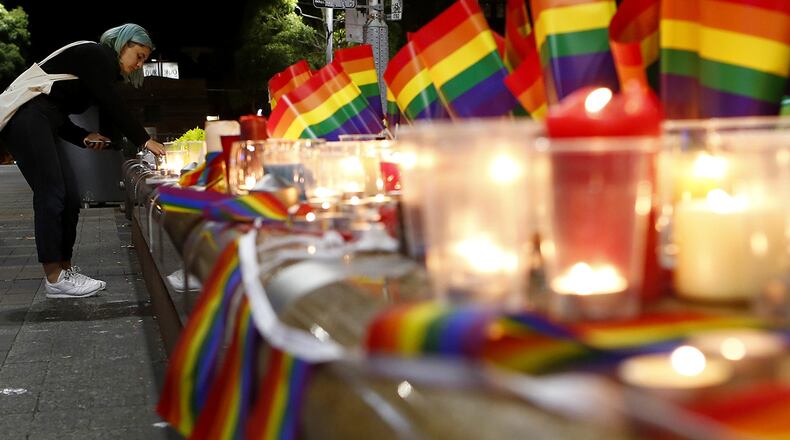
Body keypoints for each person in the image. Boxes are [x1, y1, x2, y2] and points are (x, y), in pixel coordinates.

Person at [0, 23, 166, 299]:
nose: (139, 65)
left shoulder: (98, 69)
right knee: (51, 192)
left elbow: (55, 109)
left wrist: (84, 136)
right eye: (138, 56)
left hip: (40, 121)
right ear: (123, 45)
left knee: (72, 197)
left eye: (143, 60)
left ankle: (64, 272)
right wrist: (143, 139)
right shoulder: (96, 54)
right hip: (25, 120)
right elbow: (110, 103)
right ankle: (54, 276)